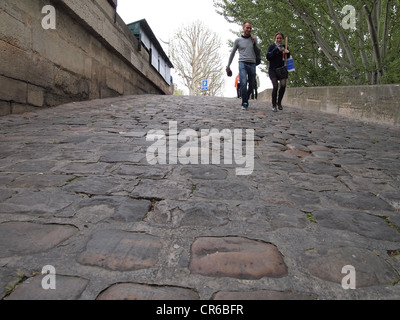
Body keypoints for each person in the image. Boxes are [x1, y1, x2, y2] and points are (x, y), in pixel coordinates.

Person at [226, 22, 260, 110]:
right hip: (242, 63)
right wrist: (228, 65)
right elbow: (232, 53)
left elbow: (258, 51)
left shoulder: (253, 39)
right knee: (243, 83)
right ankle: (244, 102)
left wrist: (255, 42)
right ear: (243, 28)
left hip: (252, 63)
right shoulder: (238, 40)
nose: (249, 30)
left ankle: (246, 97)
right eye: (247, 28)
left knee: (252, 85)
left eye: (250, 28)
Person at [267, 32, 290, 112]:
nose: (279, 40)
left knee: (283, 85)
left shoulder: (284, 47)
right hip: (273, 70)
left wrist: (288, 52)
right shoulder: (272, 47)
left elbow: (288, 58)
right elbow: (268, 57)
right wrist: (276, 50)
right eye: (277, 38)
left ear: (282, 39)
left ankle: (279, 102)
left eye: (280, 38)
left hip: (281, 70)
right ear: (275, 39)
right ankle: (274, 104)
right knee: (275, 86)